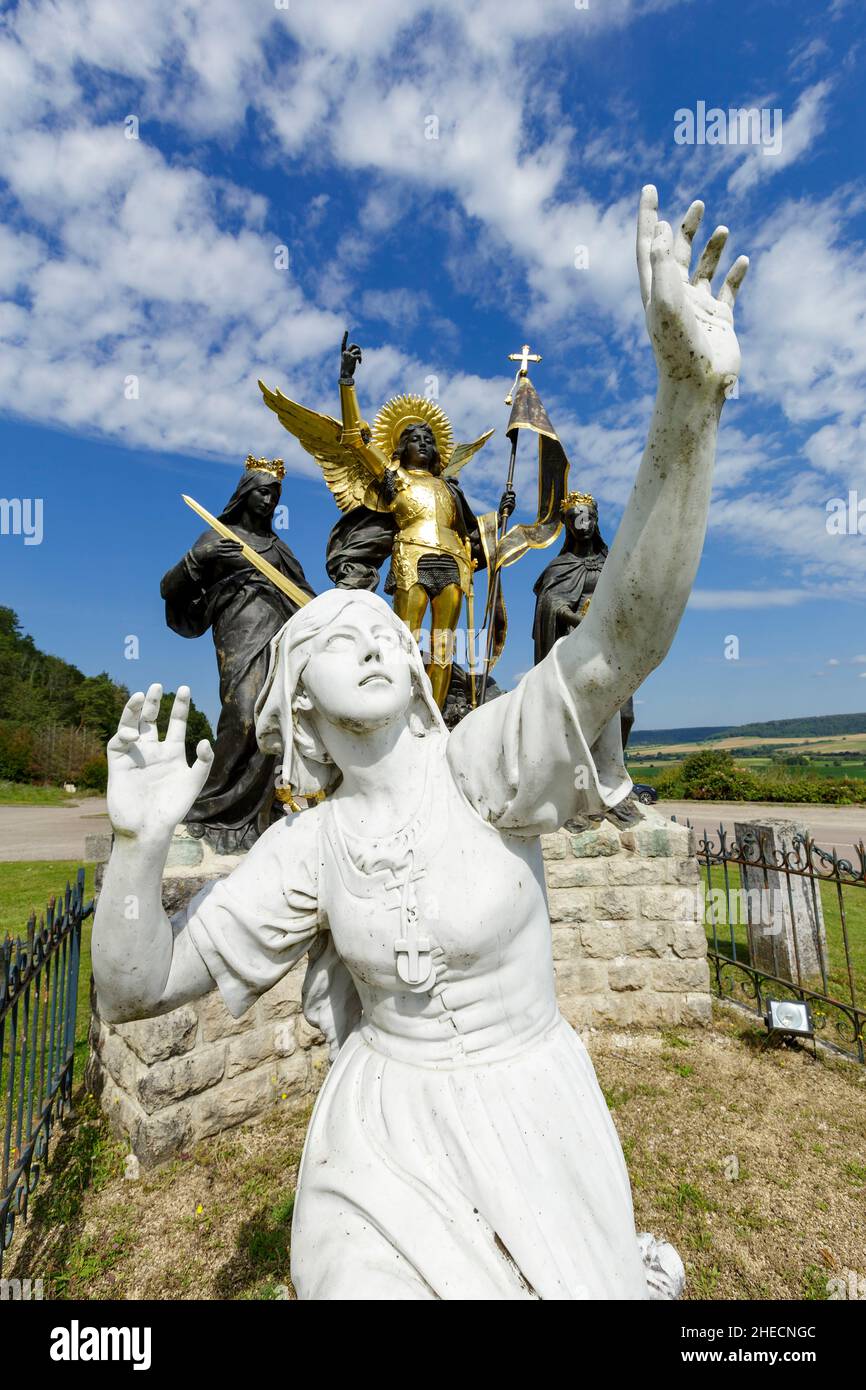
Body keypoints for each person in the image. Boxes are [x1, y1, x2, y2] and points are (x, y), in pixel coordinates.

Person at [93, 186, 747, 1299]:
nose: (370, 633)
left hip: (527, 1112)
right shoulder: (307, 851)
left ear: (410, 670)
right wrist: (137, 846)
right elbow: (136, 987)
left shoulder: (483, 764)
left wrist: (685, 402)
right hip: (380, 1136)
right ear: (297, 707)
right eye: (334, 632)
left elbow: (617, 641)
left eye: (377, 632)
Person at [160, 457, 316, 853]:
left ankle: (256, 817)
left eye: (275, 494)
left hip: (279, 638)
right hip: (239, 632)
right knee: (243, 716)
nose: (270, 500)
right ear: (246, 493)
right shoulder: (218, 536)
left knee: (273, 722)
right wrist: (206, 559)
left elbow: (304, 596)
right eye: (264, 491)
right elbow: (169, 586)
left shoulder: (279, 549)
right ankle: (209, 807)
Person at [533, 491, 635, 748]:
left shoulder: (611, 563)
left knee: (624, 714)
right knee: (578, 713)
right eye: (576, 518)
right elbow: (551, 603)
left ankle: (612, 775)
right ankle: (578, 771)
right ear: (568, 524)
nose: (583, 523)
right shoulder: (560, 566)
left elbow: (627, 597)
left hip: (610, 644)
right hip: (574, 643)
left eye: (589, 517)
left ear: (596, 520)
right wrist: (578, 619)